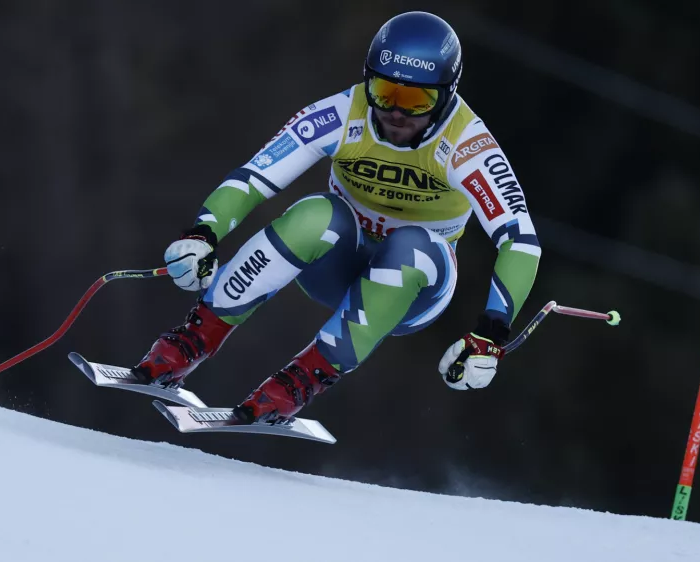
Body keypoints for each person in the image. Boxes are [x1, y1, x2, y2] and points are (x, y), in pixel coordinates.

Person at [131, 11, 542, 423]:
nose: (396, 112)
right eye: (384, 92)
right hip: (335, 264)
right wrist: (203, 233)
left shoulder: (467, 144)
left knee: (411, 247)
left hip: (414, 291)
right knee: (316, 213)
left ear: (448, 95)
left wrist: (490, 335)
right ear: (367, 78)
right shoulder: (343, 113)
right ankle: (191, 341)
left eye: (417, 101)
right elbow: (256, 176)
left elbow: (520, 240)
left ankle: (299, 382)